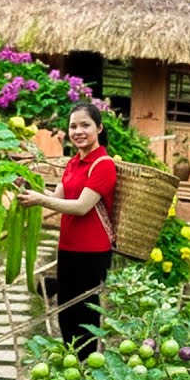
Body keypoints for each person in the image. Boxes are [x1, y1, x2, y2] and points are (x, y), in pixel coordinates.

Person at [17, 102, 116, 358]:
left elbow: (82, 207)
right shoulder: (74, 163)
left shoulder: (103, 165)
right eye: (73, 126)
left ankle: (87, 371)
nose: (78, 131)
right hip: (69, 248)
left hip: (92, 253)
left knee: (85, 316)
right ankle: (73, 371)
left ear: (99, 128)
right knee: (66, 314)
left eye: (85, 125)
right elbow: (57, 197)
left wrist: (40, 200)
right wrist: (29, 187)